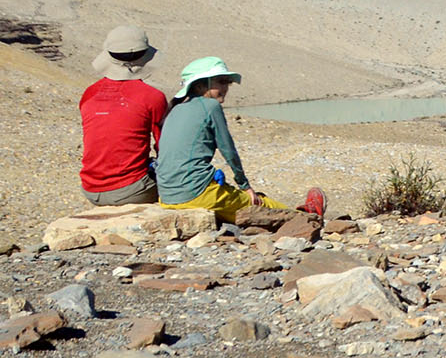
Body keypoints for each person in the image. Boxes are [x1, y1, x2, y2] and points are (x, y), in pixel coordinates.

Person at [156, 56, 323, 221]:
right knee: (259, 204)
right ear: (200, 86)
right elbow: (228, 150)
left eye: (227, 82)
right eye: (221, 81)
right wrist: (245, 186)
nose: (226, 87)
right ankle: (308, 217)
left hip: (167, 197)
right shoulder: (210, 106)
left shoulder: (175, 110)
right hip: (197, 194)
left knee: (233, 204)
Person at [78, 25, 169, 205]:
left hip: (90, 189)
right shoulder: (152, 97)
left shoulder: (89, 94)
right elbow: (165, 148)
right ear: (145, 57)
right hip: (132, 189)